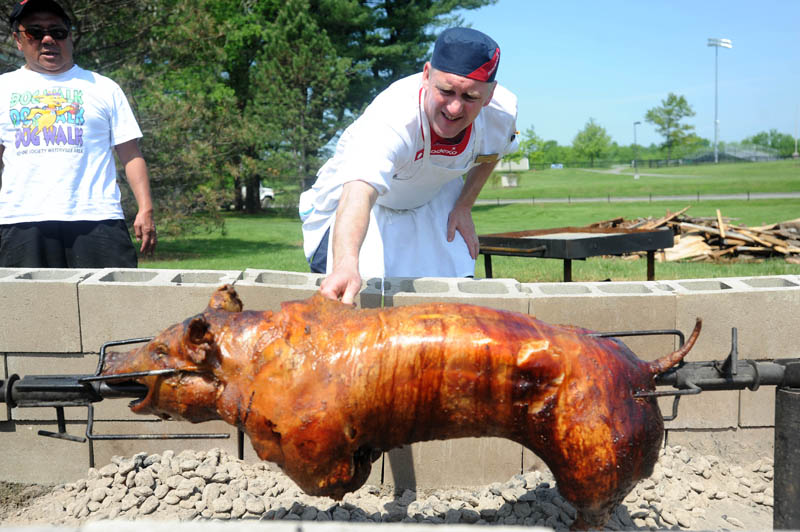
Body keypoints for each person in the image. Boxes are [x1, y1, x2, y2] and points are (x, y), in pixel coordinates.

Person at [299, 27, 518, 304]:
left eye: (470, 97)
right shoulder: (392, 119)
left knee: (447, 305)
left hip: (432, 198)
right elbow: (359, 192)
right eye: (446, 90)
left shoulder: (502, 113)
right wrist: (345, 262)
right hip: (365, 204)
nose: (454, 108)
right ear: (426, 76)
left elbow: (492, 152)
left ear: (489, 95)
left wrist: (464, 205)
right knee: (360, 303)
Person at [0, 0, 156, 268]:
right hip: (20, 220)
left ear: (69, 37)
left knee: (112, 305)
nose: (47, 39)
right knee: (27, 307)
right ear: (18, 39)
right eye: (35, 32)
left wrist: (146, 208)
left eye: (57, 32)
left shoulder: (103, 88)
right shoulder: (4, 88)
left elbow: (130, 154)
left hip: (98, 218)